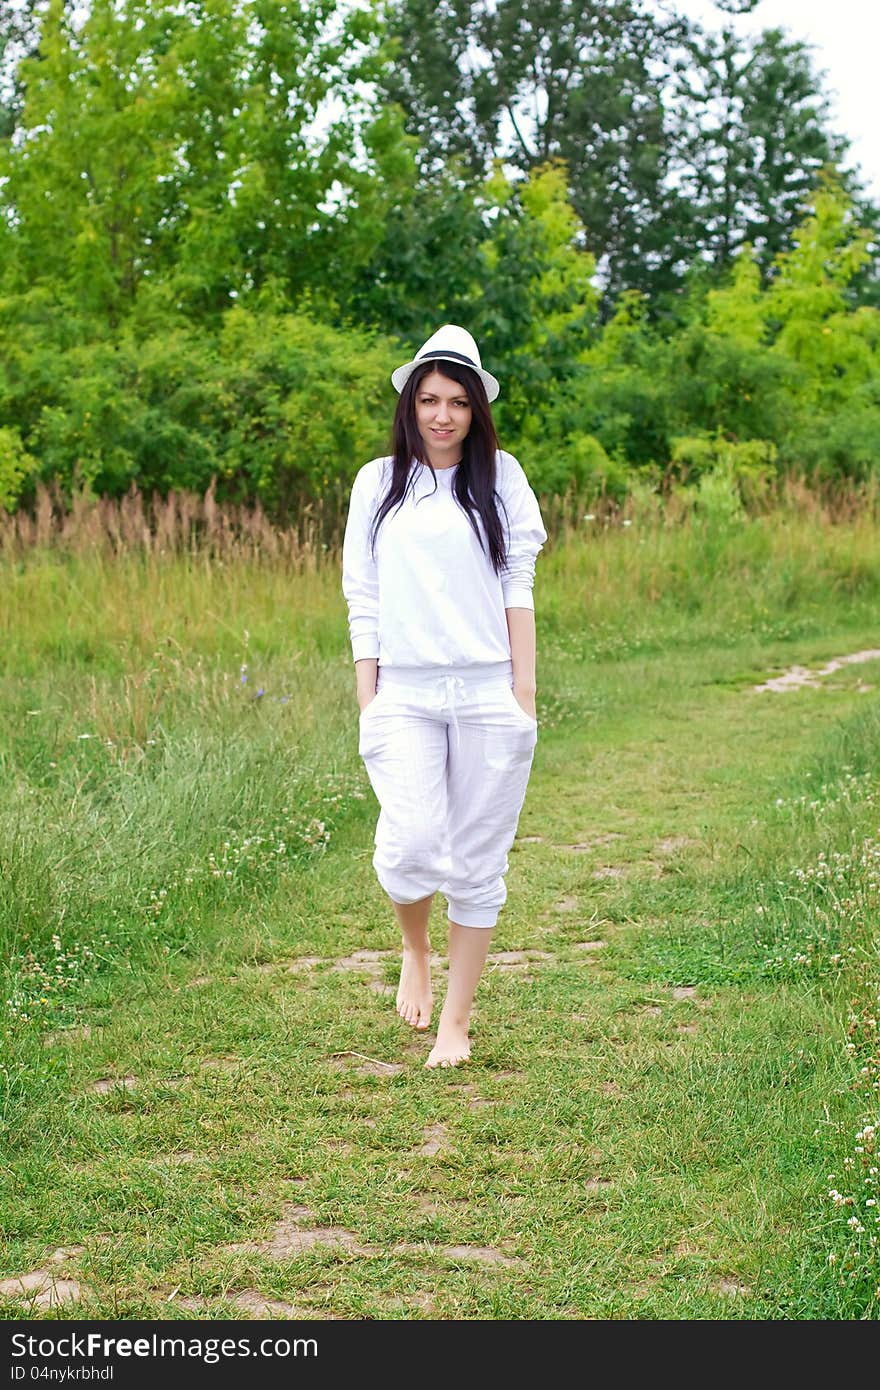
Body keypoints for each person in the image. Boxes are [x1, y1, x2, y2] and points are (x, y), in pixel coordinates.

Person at [341, 325, 547, 1069]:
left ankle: (455, 1024)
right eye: (428, 399)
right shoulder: (377, 482)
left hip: (489, 688)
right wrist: (370, 694)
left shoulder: (503, 479)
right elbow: (361, 594)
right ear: (410, 405)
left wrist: (523, 690)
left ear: (476, 411)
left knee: (476, 861)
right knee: (411, 846)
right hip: (406, 694)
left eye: (457, 402)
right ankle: (414, 950)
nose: (442, 415)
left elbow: (515, 582)